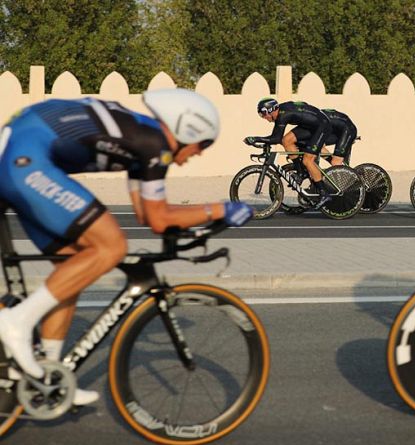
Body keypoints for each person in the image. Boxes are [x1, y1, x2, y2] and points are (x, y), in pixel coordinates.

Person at [0, 89, 253, 405]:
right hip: (25, 161)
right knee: (112, 246)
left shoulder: (143, 142)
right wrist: (221, 210)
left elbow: (148, 214)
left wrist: (204, 217)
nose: (199, 153)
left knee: (73, 270)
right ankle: (16, 322)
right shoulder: (154, 146)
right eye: (202, 144)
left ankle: (46, 376)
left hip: (17, 156)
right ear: (188, 129)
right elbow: (160, 219)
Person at [245, 98, 332, 206]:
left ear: (270, 110)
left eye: (263, 114)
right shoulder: (282, 112)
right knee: (286, 141)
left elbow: (275, 138)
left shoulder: (283, 115)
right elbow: (278, 139)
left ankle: (324, 193)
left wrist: (256, 138)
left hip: (322, 126)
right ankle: (301, 172)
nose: (264, 118)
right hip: (310, 126)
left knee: (307, 160)